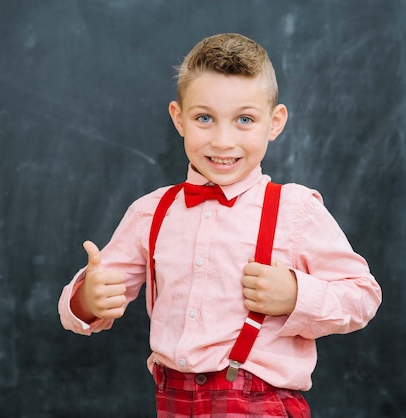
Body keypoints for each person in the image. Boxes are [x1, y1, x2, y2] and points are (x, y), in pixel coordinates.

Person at [58, 33, 381, 417]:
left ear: (274, 123)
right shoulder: (151, 212)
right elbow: (90, 304)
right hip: (174, 399)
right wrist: (88, 298)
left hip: (263, 403)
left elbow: (363, 296)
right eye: (204, 118)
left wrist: (296, 295)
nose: (223, 140)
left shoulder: (296, 209)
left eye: (244, 119)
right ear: (179, 118)